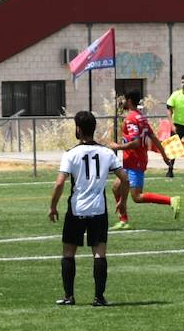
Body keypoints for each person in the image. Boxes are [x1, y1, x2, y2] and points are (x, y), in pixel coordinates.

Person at [49, 110, 128, 307]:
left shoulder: (70, 154)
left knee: (69, 252)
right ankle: (99, 297)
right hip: (98, 209)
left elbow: (59, 183)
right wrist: (123, 201)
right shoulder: (107, 153)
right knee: (99, 253)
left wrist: (53, 206)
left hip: (76, 209)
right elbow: (124, 178)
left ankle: (69, 296)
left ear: (78, 129)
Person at [108, 89, 180, 230]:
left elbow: (135, 142)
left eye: (123, 100)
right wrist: (164, 155)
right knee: (116, 187)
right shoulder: (141, 117)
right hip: (133, 160)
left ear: (129, 101)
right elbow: (153, 137)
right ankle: (123, 220)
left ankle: (171, 200)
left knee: (137, 196)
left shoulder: (131, 119)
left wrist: (118, 147)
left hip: (135, 161)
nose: (121, 102)